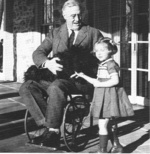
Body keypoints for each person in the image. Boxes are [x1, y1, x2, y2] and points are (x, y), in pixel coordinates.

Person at [19, 0, 103, 150]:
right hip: (57, 78)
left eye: (79, 15)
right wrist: (47, 63)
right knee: (27, 86)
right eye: (72, 16)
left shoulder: (92, 33)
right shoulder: (55, 32)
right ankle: (49, 124)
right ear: (64, 15)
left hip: (80, 81)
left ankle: (53, 130)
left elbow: (103, 57)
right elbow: (38, 53)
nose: (77, 19)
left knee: (56, 86)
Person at [74, 37, 134, 153]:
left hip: (108, 99)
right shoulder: (103, 64)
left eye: (102, 50)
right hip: (103, 97)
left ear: (110, 50)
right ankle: (117, 146)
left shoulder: (111, 64)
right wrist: (83, 75)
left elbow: (115, 81)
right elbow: (97, 81)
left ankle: (102, 151)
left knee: (102, 125)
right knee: (107, 124)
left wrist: (100, 85)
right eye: (96, 51)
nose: (99, 53)